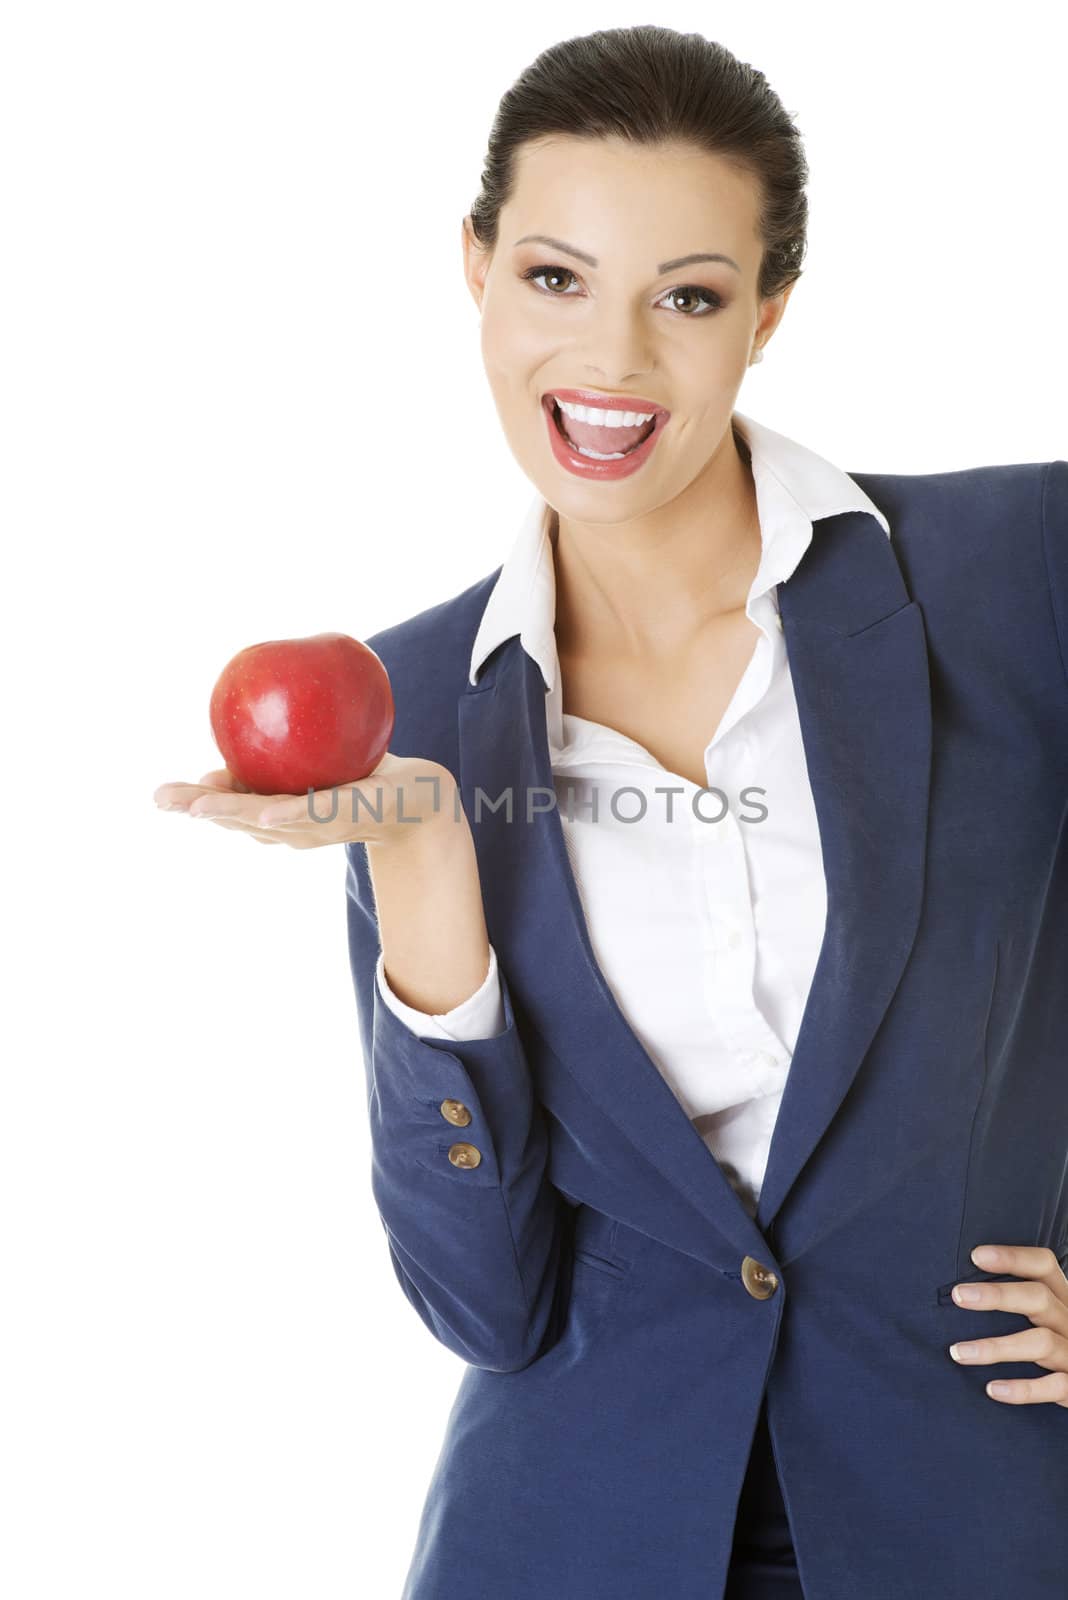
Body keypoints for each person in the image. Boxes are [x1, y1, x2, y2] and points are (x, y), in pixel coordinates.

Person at [154, 24, 1068, 1600]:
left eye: (690, 297)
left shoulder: (1015, 575)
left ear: (769, 314)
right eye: (557, 279)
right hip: (568, 1538)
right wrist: (430, 872)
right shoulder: (407, 709)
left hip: (976, 1520)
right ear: (477, 269)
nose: (612, 365)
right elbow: (488, 1313)